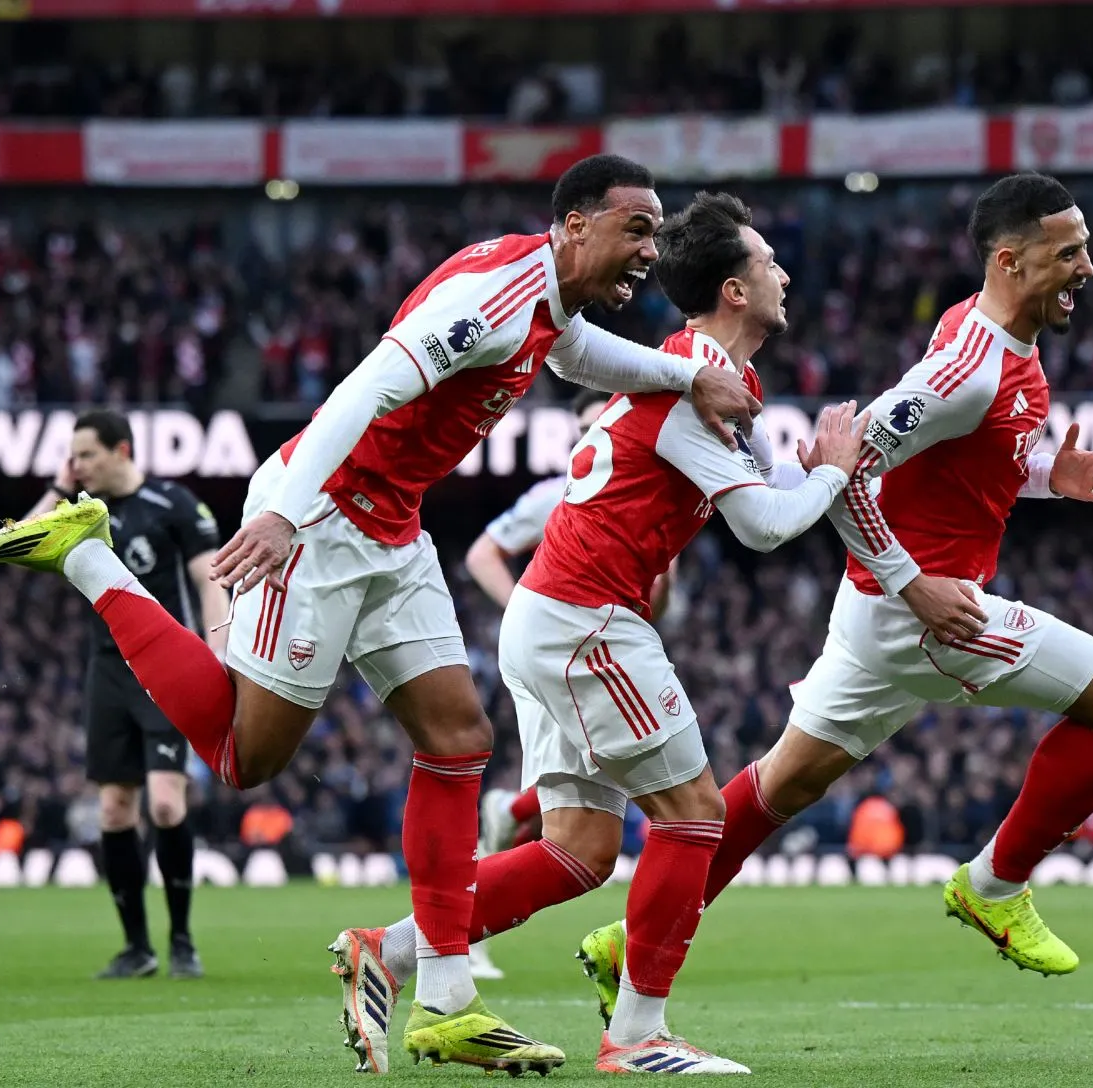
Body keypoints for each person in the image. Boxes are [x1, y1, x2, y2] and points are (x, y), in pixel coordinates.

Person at [0, 154, 760, 1077]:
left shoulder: (544, 300)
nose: (650, 251)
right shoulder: (496, 294)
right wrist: (285, 510)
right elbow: (370, 386)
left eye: (657, 232)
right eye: (637, 228)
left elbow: (573, 353)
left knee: (458, 735)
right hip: (326, 516)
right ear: (576, 225)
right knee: (242, 757)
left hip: (394, 524)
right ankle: (87, 556)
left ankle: (446, 1000)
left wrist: (678, 376)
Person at [574, 173, 1093, 1004]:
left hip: (876, 608)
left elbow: (971, 459)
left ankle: (634, 935)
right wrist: (912, 583)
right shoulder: (963, 367)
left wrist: (1042, 474)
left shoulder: (994, 337)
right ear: (1011, 262)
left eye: (1086, 247)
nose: (1087, 267)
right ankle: (993, 887)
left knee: (785, 783)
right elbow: (842, 466)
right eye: (1069, 253)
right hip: (924, 611)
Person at [331, 191, 865, 1075]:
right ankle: (638, 1036)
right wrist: (833, 475)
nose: (783, 273)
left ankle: (383, 952)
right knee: (694, 817)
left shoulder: (704, 374)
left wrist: (807, 474)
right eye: (768, 261)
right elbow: (766, 528)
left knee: (577, 852)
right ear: (734, 290)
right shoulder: (689, 381)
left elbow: (763, 489)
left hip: (562, 616)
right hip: (587, 619)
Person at [467, 389, 681, 983]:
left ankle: (426, 936)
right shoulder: (563, 489)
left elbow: (655, 600)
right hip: (570, 648)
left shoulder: (649, 486)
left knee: (583, 842)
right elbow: (483, 553)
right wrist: (531, 614)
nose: (596, 434)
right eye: (587, 425)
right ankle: (642, 995)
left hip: (614, 642)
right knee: (681, 803)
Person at [24, 410, 226, 981]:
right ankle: (136, 948)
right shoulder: (80, 513)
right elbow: (16, 545)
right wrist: (60, 488)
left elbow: (209, 581)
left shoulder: (174, 504)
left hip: (164, 669)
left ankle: (183, 939)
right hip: (107, 672)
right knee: (114, 809)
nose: (78, 465)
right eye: (73, 458)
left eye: (86, 456)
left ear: (121, 450)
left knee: (165, 803)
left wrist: (219, 657)